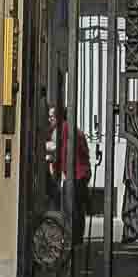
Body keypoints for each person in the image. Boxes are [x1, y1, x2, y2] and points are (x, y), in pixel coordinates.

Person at [47, 102, 92, 244]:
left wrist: (55, 168)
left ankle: (70, 239)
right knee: (77, 209)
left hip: (75, 174)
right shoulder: (74, 129)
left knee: (70, 208)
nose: (50, 119)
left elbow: (61, 152)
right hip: (81, 174)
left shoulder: (62, 129)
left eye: (52, 116)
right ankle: (77, 239)